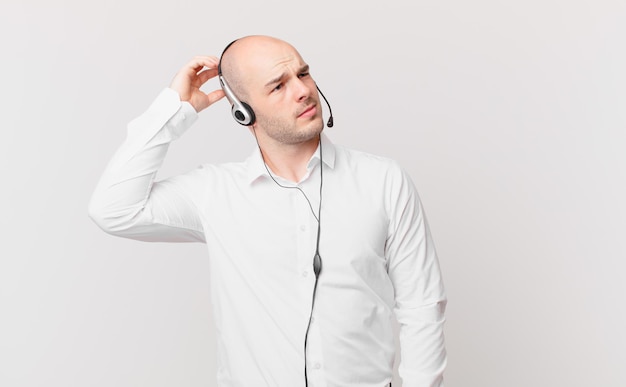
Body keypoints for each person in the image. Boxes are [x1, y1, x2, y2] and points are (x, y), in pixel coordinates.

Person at [88, 35, 447, 387]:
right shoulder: (215, 193)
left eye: (303, 74)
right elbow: (113, 208)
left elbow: (422, 306)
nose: (303, 90)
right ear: (244, 113)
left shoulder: (383, 181)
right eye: (278, 86)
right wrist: (174, 110)